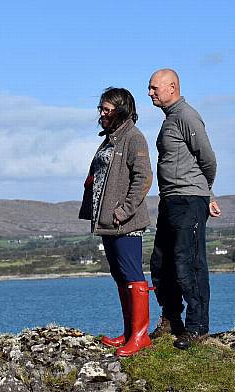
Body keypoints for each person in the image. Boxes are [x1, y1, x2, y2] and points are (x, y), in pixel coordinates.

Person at [147, 69, 222, 350]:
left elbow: (208, 160)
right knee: (161, 263)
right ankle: (171, 320)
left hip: (188, 200)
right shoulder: (171, 119)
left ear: (172, 87)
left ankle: (197, 327)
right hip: (170, 200)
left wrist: (204, 193)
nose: (150, 93)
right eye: (150, 88)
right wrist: (209, 193)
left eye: (154, 88)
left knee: (188, 263)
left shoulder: (187, 116)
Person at [78, 87, 153, 357]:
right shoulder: (110, 138)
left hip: (125, 223)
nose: (101, 114)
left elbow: (143, 179)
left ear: (120, 111)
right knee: (120, 277)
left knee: (133, 276)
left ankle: (141, 336)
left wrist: (123, 211)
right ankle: (129, 332)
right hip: (108, 223)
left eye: (107, 110)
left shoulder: (134, 138)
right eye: (101, 108)